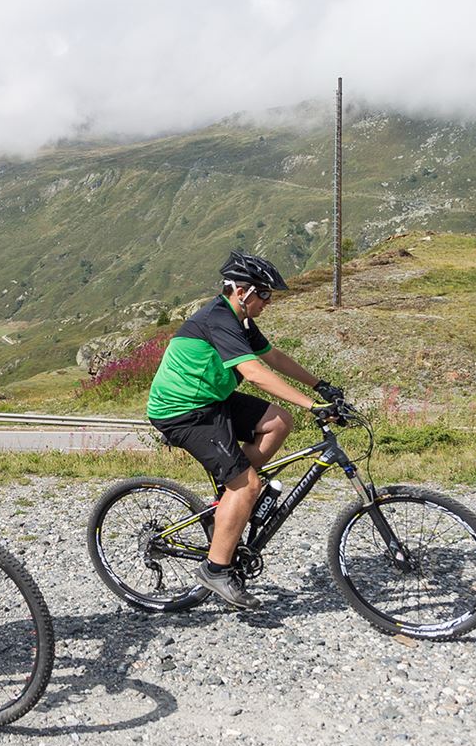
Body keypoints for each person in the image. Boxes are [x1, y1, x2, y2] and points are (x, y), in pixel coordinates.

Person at [145, 252, 344, 609]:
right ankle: (215, 569)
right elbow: (254, 373)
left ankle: (232, 498)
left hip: (211, 399)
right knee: (249, 484)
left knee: (278, 422)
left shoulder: (242, 322)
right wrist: (313, 406)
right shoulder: (219, 319)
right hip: (183, 411)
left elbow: (274, 358)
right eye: (264, 294)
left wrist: (321, 386)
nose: (268, 301)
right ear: (241, 291)